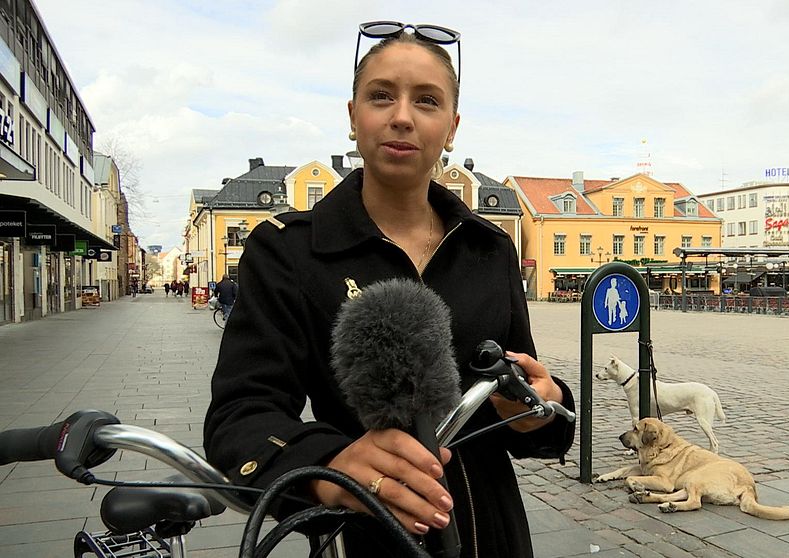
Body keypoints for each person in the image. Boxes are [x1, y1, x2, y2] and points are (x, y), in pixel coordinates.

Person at [204, 23, 574, 558]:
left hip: (491, 528)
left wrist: (541, 403)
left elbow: (514, 378)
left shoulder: (489, 248)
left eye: (427, 100)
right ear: (353, 117)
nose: (402, 115)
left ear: (451, 127)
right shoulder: (288, 250)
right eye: (381, 95)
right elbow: (242, 413)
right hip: (365, 527)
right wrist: (330, 466)